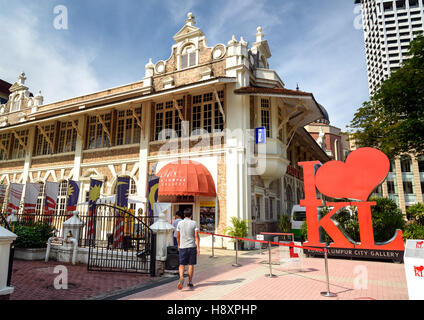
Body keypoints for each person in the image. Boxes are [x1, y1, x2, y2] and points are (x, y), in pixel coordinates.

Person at [176, 208, 200, 290]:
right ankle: (190, 282)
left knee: (182, 264)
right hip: (192, 246)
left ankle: (181, 277)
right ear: (191, 215)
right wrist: (198, 247)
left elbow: (178, 236)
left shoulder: (180, 223)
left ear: (184, 215)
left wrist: (178, 245)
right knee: (191, 265)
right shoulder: (194, 223)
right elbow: (196, 236)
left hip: (183, 247)